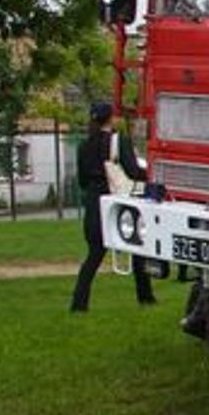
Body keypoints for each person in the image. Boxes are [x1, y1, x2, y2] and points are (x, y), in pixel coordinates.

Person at [70, 101, 155, 312]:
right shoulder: (118, 141)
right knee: (137, 247)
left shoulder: (84, 145)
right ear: (111, 118)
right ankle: (144, 296)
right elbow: (133, 171)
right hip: (117, 200)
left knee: (94, 254)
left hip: (94, 202)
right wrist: (149, 175)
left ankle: (79, 303)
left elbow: (81, 180)